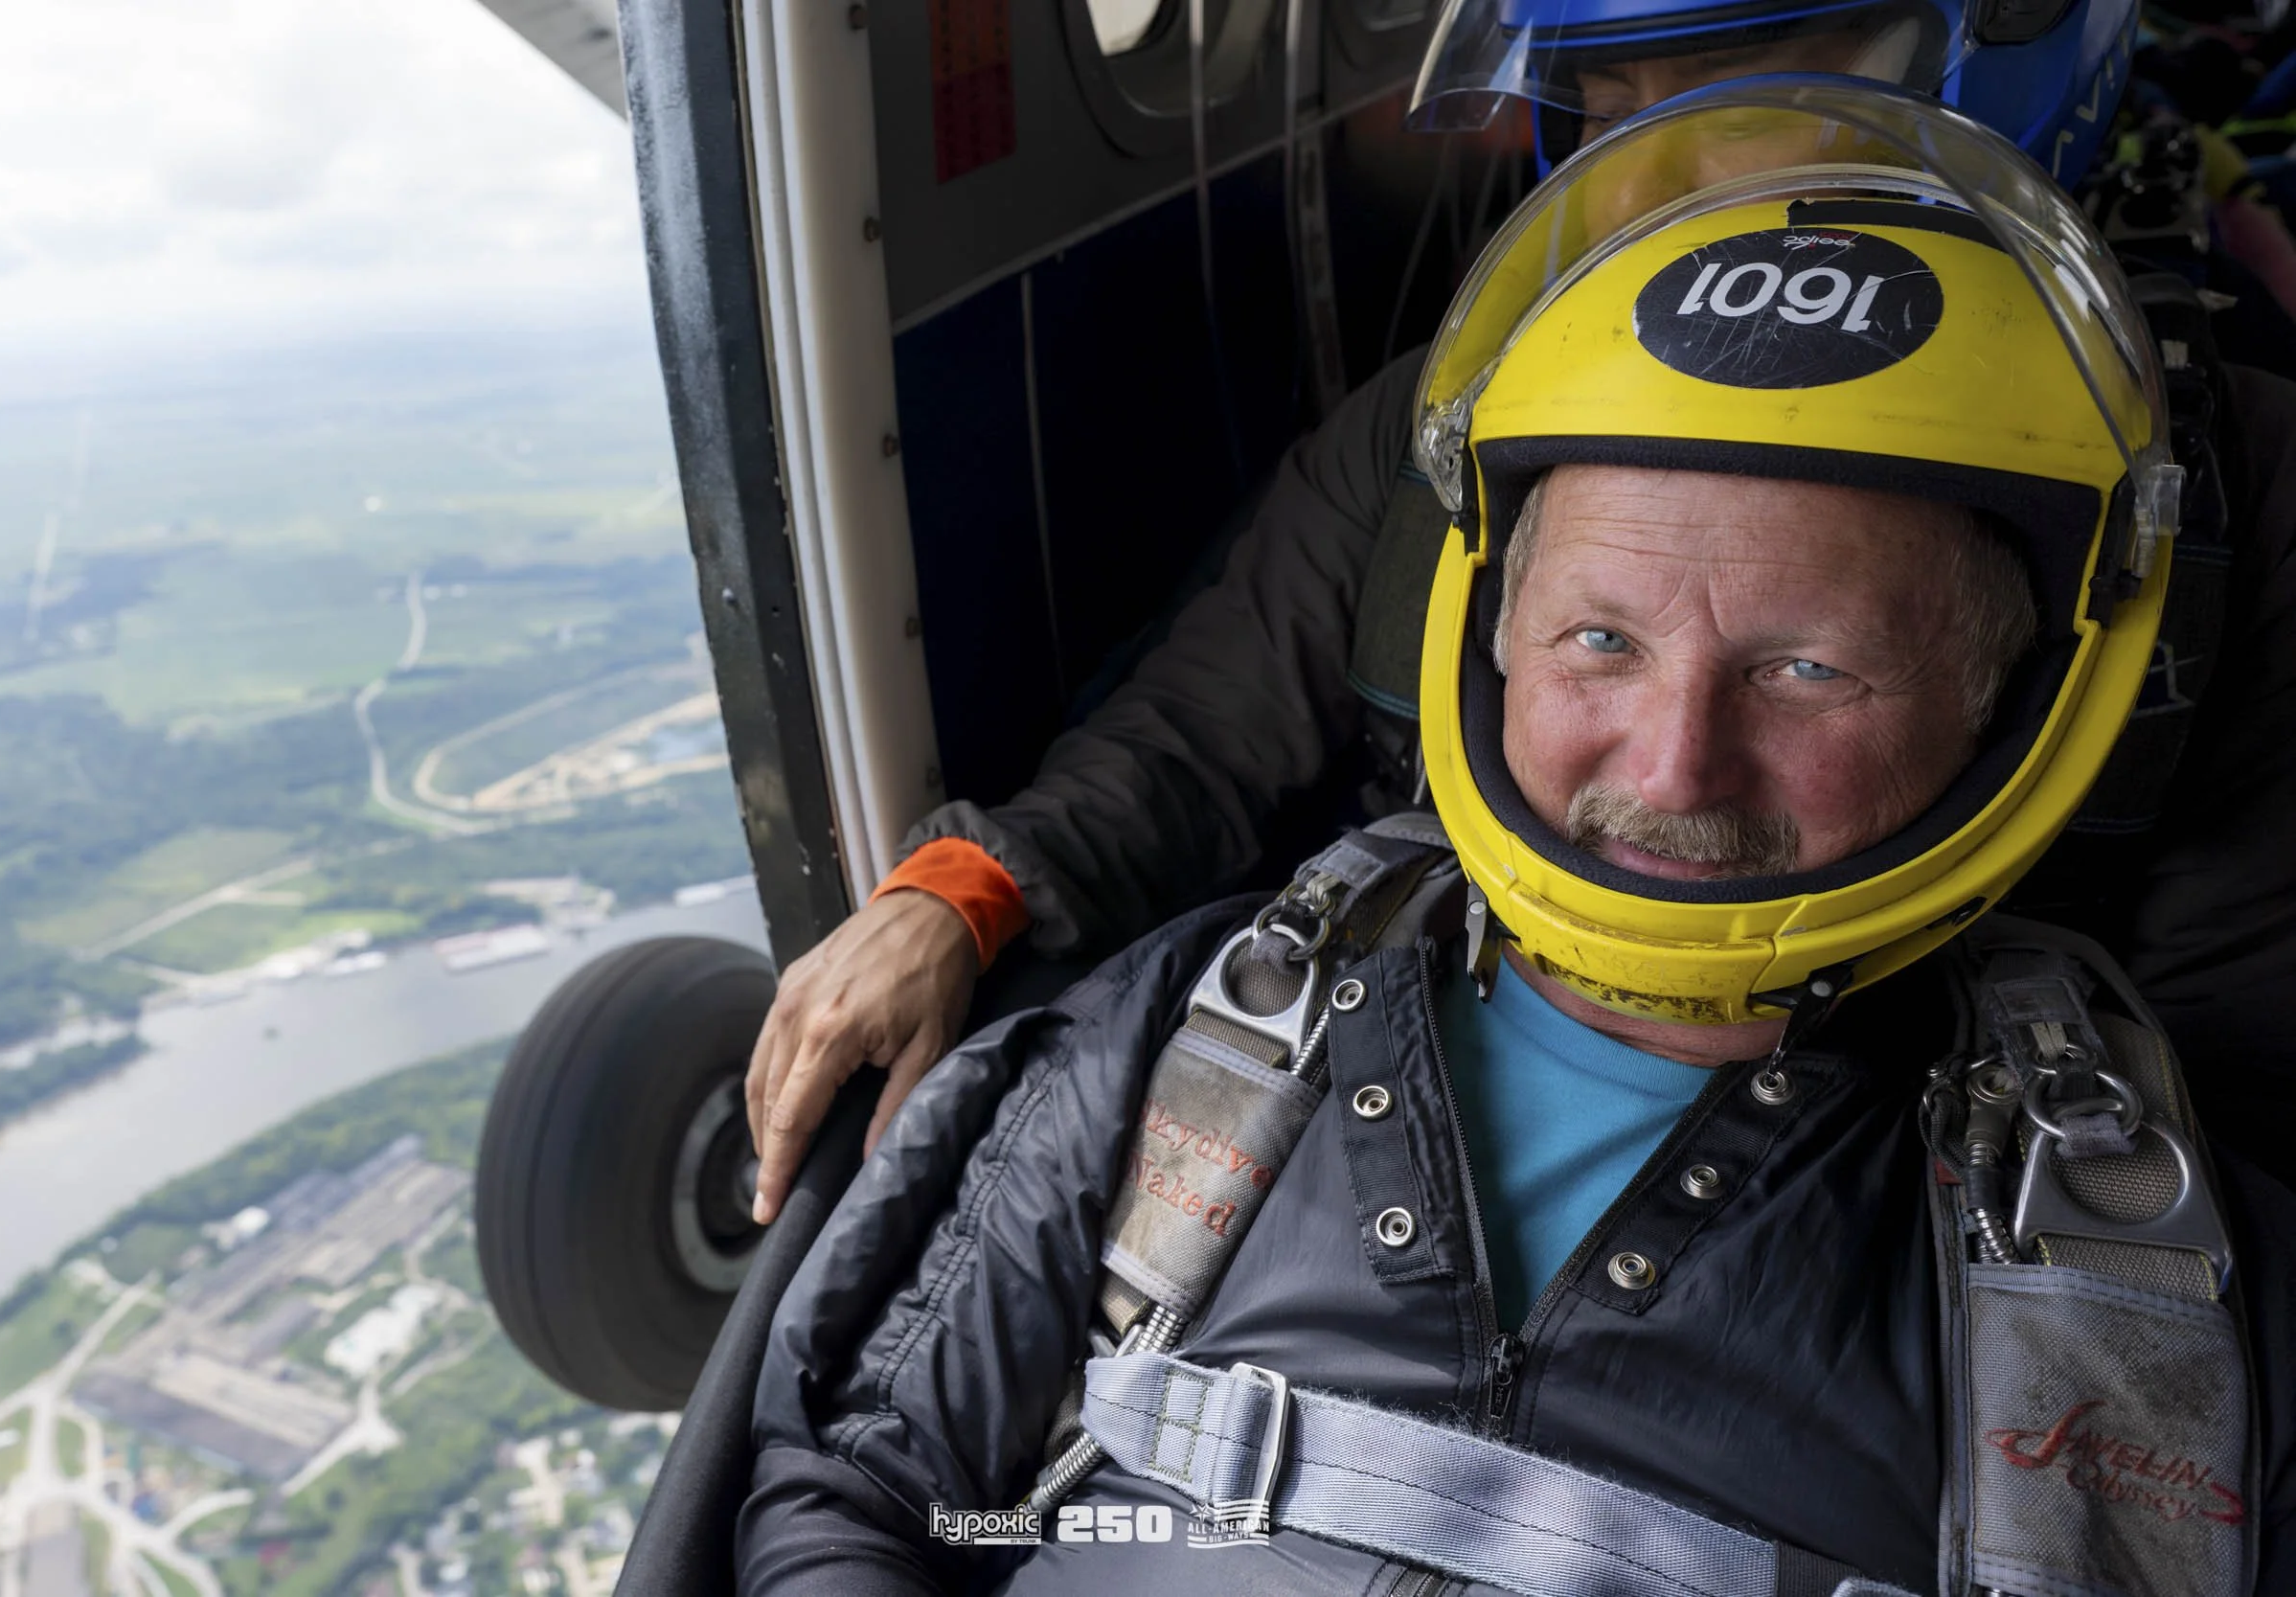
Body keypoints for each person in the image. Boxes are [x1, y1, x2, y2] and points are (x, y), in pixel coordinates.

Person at [735, 102, 2294, 1597]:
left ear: (2002, 708)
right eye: (1599, 640)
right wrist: (964, 887)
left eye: (1808, 670)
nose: (1675, 761)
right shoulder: (1199, 1025)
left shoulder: (2149, 1252)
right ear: (1486, 639)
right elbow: (871, 1486)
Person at [743, 0, 2296, 1224]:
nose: (1676, 177)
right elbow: (1201, 728)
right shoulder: (1458, 424)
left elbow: (2230, 1056)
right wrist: (955, 893)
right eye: (1617, 111)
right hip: (1426, 1097)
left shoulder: (2223, 495)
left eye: (1756, 88)